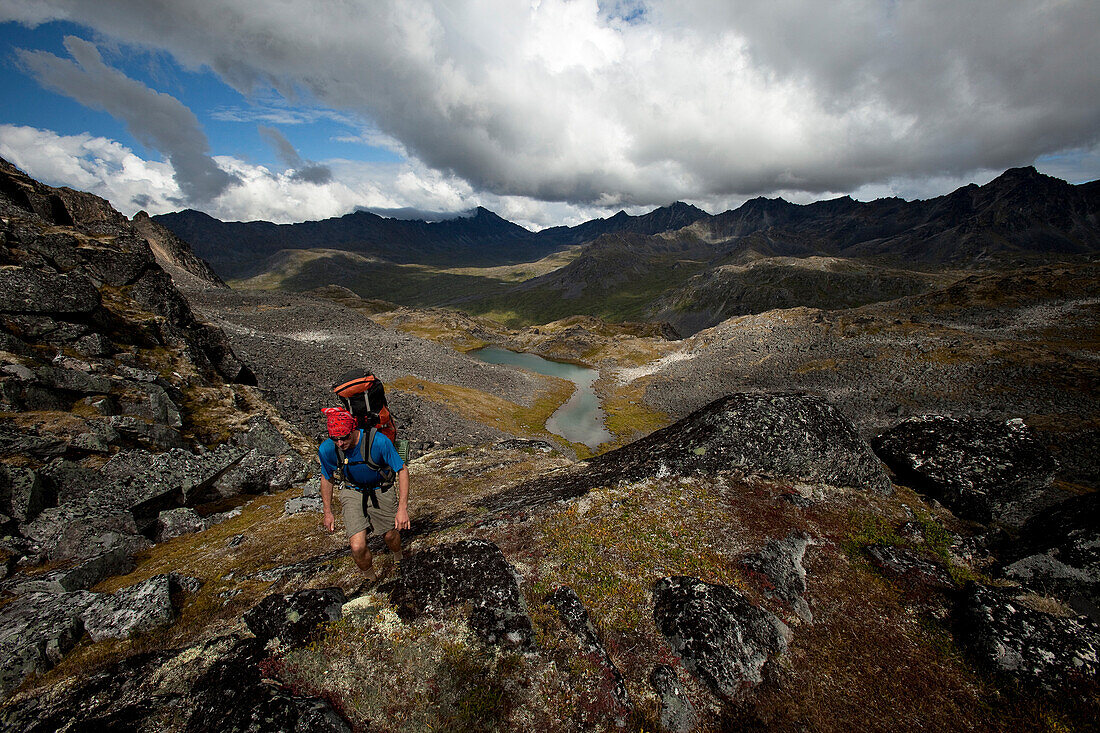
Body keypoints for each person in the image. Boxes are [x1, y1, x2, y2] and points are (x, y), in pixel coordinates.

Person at [318, 407, 410, 581]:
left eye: (344, 437)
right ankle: (371, 579)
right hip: (352, 491)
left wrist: (402, 508)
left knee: (390, 535)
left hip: (380, 488)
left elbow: (402, 470)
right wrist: (328, 512)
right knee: (357, 546)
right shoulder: (327, 449)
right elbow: (327, 477)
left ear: (353, 430)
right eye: (334, 438)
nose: (340, 443)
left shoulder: (379, 442)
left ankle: (398, 556)